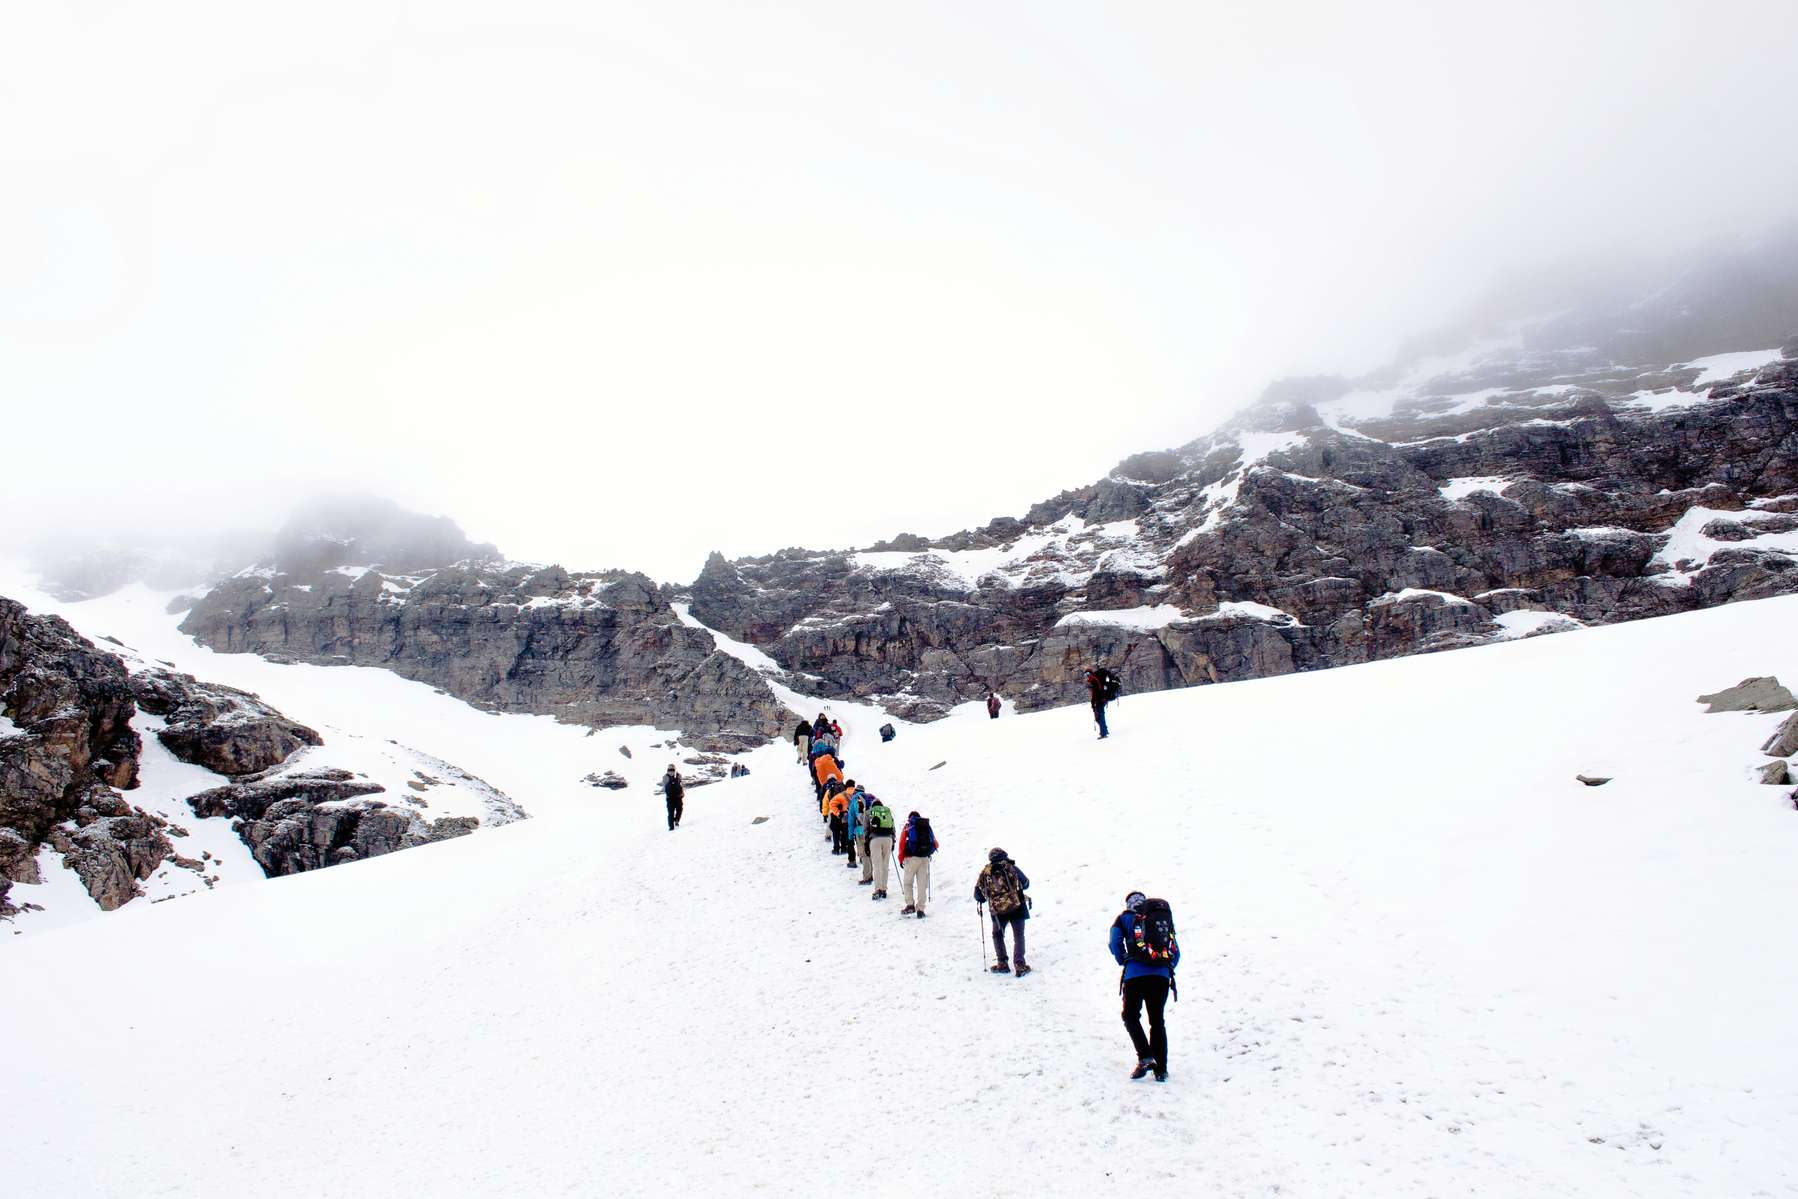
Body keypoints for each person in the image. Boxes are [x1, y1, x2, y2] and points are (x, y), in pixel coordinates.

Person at [1110, 891, 1179, 1082]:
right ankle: (1161, 1070)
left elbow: (1114, 942)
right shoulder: (1160, 919)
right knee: (1157, 1021)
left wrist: (1124, 960)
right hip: (1161, 977)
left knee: (1130, 1016)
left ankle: (1145, 1056)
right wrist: (1164, 967)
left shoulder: (1124, 919)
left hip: (1135, 976)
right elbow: (1175, 949)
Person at [975, 848, 1031, 975]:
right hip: (1017, 906)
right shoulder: (1011, 867)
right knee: (1018, 935)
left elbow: (978, 895)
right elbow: (1026, 883)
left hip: (997, 911)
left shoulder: (986, 873)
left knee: (998, 935)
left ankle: (1002, 963)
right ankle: (1020, 965)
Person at [896, 810, 937, 918]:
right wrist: (928, 852)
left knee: (908, 882)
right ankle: (920, 909)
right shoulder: (926, 827)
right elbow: (935, 843)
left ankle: (910, 905)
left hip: (911, 858)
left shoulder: (908, 826)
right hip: (924, 859)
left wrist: (901, 859)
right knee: (922, 884)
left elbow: (901, 843)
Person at [865, 795, 895, 899]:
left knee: (877, 865)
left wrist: (866, 844)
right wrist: (893, 842)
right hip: (888, 840)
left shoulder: (869, 813)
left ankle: (877, 890)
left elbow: (866, 829)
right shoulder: (887, 812)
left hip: (875, 840)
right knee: (885, 866)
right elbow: (893, 828)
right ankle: (884, 889)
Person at [1085, 666, 1115, 739]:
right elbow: (1095, 693)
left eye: (1088, 674)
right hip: (1100, 700)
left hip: (1099, 701)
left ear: (1091, 673)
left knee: (1100, 717)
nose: (1087, 676)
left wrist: (1094, 703)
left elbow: (1096, 692)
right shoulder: (1093, 680)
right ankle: (1104, 730)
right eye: (1085, 674)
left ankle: (1103, 733)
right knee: (1099, 717)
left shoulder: (1094, 680)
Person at [844, 782, 866, 871]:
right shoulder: (868, 799)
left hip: (859, 829)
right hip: (869, 829)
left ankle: (861, 860)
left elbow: (851, 820)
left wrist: (850, 836)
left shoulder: (854, 801)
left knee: (862, 848)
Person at [827, 782, 850, 854]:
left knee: (835, 832)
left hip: (835, 814)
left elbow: (830, 803)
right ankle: (844, 848)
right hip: (843, 814)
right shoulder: (846, 794)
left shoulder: (833, 790)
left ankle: (836, 849)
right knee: (843, 832)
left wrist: (837, 812)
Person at [662, 764, 684, 831]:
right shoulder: (678, 775)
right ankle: (676, 820)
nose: (671, 771)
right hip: (678, 797)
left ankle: (671, 827)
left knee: (671, 812)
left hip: (670, 798)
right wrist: (682, 793)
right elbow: (681, 785)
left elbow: (664, 788)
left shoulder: (665, 777)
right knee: (679, 809)